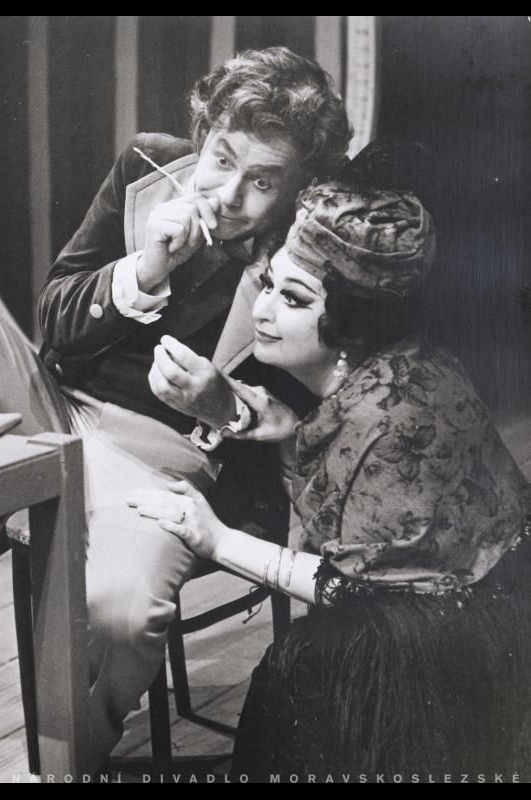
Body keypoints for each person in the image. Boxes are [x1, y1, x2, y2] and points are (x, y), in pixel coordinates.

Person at [0, 47, 351, 770]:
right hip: (53, 412)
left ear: (296, 189)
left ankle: (60, 769)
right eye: (222, 159)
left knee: (123, 616)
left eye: (261, 181)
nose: (228, 195)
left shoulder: (310, 254)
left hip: (167, 474)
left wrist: (227, 407)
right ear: (203, 136)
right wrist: (145, 268)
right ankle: (39, 492)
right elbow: (54, 319)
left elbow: (324, 414)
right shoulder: (145, 169)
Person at [129, 178, 531, 779]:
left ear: (349, 325)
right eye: (268, 284)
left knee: (305, 668)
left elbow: (351, 587)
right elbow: (343, 465)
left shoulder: (394, 415)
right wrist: (254, 419)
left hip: (452, 635)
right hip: (471, 593)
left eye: (293, 299)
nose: (262, 310)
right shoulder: (399, 363)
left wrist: (215, 539)